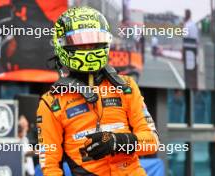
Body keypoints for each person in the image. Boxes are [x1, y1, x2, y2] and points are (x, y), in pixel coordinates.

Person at [37, 6, 159, 176]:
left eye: (94, 42)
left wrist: (117, 142)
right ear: (62, 45)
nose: (88, 49)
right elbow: (50, 166)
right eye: (80, 43)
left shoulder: (126, 86)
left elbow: (152, 142)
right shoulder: (51, 103)